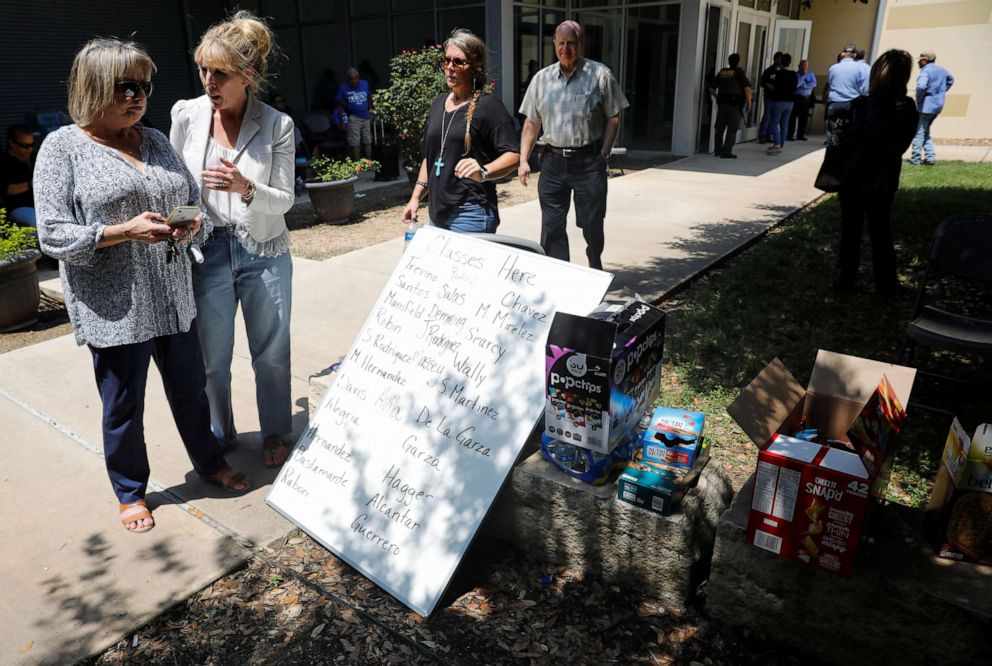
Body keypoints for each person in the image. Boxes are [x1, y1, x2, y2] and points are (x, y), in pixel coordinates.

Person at [33, 37, 251, 534]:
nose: (139, 97)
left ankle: (210, 463)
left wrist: (193, 224)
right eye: (125, 86)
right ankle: (130, 493)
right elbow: (52, 235)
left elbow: (190, 199)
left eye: (145, 87)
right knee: (124, 405)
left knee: (191, 393)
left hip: (174, 296)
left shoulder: (153, 140)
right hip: (115, 306)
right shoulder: (62, 148)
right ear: (94, 87)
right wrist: (122, 231)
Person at [171, 11, 296, 468]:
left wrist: (245, 187)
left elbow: (282, 200)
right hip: (207, 252)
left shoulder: (277, 124)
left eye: (219, 73)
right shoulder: (186, 114)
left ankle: (276, 433)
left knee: (271, 354)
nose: (208, 81)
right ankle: (218, 438)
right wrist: (181, 221)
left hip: (263, 249)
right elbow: (177, 186)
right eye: (203, 69)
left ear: (247, 75)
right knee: (211, 360)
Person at [518, 20, 628, 269]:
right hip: (552, 162)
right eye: (561, 43)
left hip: (589, 162)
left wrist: (604, 153)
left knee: (592, 222)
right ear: (554, 44)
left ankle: (594, 261)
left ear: (581, 44)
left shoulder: (600, 74)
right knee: (552, 225)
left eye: (571, 43)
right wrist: (523, 159)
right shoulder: (541, 79)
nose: (565, 48)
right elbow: (531, 123)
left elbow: (614, 116)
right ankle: (560, 274)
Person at [402, 29, 519, 234]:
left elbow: (513, 155)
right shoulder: (438, 104)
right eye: (446, 60)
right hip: (438, 213)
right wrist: (416, 197)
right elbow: (430, 158)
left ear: (476, 66)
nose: (450, 67)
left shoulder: (489, 106)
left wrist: (483, 171)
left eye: (458, 62)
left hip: (470, 213)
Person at [832, 49, 919, 296]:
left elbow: (843, 140)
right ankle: (885, 284)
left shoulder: (859, 105)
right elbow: (901, 143)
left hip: (852, 176)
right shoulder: (906, 108)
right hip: (882, 177)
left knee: (851, 231)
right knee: (880, 231)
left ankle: (845, 280)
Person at [909, 50, 954, 166]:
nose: (918, 63)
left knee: (919, 133)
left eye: (920, 61)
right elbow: (951, 80)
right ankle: (930, 157)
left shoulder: (926, 71)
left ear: (925, 60)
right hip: (937, 105)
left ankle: (915, 159)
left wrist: (919, 99)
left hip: (926, 106)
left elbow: (921, 86)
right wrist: (941, 92)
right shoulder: (942, 70)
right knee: (925, 131)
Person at [708, 53, 752, 159]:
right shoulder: (739, 73)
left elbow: (711, 89)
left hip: (722, 104)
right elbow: (747, 89)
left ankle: (718, 150)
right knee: (732, 129)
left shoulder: (723, 72)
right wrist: (749, 103)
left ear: (729, 61)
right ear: (738, 62)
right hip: (734, 106)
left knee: (719, 128)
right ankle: (726, 152)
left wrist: (718, 97)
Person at [824, 44, 869, 139]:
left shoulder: (833, 68)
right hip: (852, 104)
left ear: (842, 54)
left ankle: (832, 150)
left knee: (832, 134)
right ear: (855, 55)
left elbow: (830, 85)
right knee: (849, 134)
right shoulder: (860, 68)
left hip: (834, 104)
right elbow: (864, 90)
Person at [1, 124, 36, 227]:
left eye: (32, 145)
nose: (29, 149)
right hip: (18, 207)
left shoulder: (36, 157)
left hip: (43, 205)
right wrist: (31, 184)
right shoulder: (3, 162)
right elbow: (7, 189)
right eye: (24, 146)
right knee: (36, 222)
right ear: (12, 143)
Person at [764, 53, 797, 155]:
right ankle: (781, 144)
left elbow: (774, 86)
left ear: (781, 61)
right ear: (790, 63)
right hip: (790, 102)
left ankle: (777, 144)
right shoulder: (793, 74)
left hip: (778, 101)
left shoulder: (778, 74)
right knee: (784, 124)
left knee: (774, 122)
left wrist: (769, 86)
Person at [337, 67, 372, 160]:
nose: (355, 81)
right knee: (355, 141)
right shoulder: (343, 87)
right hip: (354, 117)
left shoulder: (365, 83)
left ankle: (369, 161)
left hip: (366, 115)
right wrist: (342, 122)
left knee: (368, 140)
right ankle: (357, 163)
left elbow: (369, 97)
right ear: (348, 79)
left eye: (356, 78)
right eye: (352, 79)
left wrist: (371, 110)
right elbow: (340, 106)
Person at [757, 52, 783, 144]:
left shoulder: (783, 71)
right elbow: (762, 82)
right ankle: (762, 135)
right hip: (769, 97)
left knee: (775, 117)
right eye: (779, 59)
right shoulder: (769, 71)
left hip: (778, 98)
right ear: (775, 59)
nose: (780, 61)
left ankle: (769, 135)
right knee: (767, 115)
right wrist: (769, 86)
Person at [788, 59, 816, 141]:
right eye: (802, 65)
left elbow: (814, 84)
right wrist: (803, 77)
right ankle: (790, 134)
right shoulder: (796, 75)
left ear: (807, 66)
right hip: (796, 98)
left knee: (803, 117)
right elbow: (796, 85)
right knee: (793, 117)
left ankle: (801, 135)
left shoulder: (811, 74)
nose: (804, 67)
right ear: (799, 66)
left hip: (806, 98)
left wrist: (805, 85)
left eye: (805, 65)